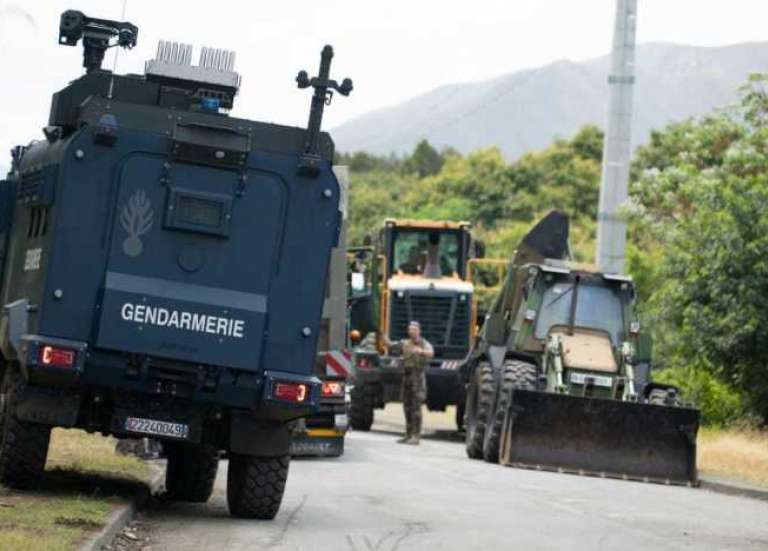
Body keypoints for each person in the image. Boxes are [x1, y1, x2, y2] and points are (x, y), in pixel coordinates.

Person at [384, 321, 434, 445]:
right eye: (410, 329)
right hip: (407, 376)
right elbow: (390, 345)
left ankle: (416, 436)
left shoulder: (424, 343)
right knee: (407, 406)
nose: (411, 331)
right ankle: (408, 434)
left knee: (416, 407)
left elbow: (431, 353)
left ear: (419, 331)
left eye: (414, 329)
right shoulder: (405, 343)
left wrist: (421, 351)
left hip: (418, 377)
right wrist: (383, 335)